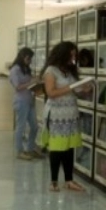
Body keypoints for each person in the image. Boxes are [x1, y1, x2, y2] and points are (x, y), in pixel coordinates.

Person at [40, 41, 92, 192]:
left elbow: (76, 90)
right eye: (72, 54)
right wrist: (70, 87)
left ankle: (69, 180)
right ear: (63, 54)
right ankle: (54, 181)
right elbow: (51, 93)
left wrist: (85, 88)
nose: (74, 57)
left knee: (69, 148)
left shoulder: (69, 71)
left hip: (71, 114)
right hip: (56, 115)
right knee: (57, 148)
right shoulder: (51, 71)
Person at [9, 48, 42, 161]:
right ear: (22, 57)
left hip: (30, 100)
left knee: (34, 126)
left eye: (31, 58)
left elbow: (29, 83)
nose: (30, 61)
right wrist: (31, 82)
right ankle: (19, 151)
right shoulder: (15, 70)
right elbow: (17, 87)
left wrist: (37, 83)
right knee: (21, 127)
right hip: (21, 102)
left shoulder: (26, 69)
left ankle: (30, 148)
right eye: (28, 58)